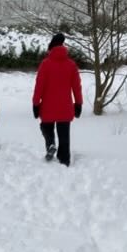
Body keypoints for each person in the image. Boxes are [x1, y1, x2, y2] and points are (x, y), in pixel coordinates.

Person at [32, 32, 83, 166]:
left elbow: (39, 87)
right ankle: (64, 160)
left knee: (46, 127)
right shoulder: (71, 65)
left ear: (51, 48)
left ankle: (50, 144)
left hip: (48, 107)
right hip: (65, 108)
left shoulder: (45, 64)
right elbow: (77, 87)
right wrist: (78, 103)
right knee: (64, 135)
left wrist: (36, 104)